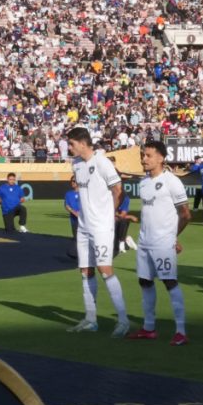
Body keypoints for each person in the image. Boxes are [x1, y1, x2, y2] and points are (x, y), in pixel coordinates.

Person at [64, 128, 132, 334]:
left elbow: (118, 189)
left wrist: (110, 213)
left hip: (101, 226)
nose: (69, 148)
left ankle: (123, 320)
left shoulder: (102, 162)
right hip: (84, 226)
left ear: (83, 143)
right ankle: (91, 319)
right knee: (85, 271)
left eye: (71, 144)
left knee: (105, 270)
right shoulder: (76, 164)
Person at [126, 142, 192, 342]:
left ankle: (181, 332)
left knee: (170, 282)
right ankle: (148, 327)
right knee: (144, 281)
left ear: (161, 158)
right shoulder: (144, 182)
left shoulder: (171, 181)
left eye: (148, 155)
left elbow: (186, 214)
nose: (143, 159)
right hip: (144, 242)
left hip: (163, 243)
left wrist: (173, 237)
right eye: (142, 155)